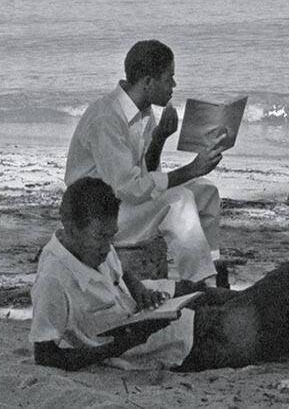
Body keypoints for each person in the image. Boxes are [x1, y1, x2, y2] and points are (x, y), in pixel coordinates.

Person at [30, 177, 289, 371]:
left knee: (264, 314)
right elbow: (45, 356)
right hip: (185, 347)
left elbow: (116, 268)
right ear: (70, 225)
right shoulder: (53, 279)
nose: (107, 246)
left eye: (109, 236)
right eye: (100, 237)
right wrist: (115, 348)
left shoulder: (90, 244)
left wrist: (137, 288)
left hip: (172, 318)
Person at [65, 40, 225, 283]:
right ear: (148, 81)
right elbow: (130, 188)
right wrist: (191, 169)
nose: (174, 85)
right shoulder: (106, 118)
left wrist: (160, 137)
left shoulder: (143, 112)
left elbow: (147, 174)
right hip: (99, 216)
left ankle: (213, 269)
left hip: (125, 204)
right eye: (168, 78)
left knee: (206, 192)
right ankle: (201, 282)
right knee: (179, 200)